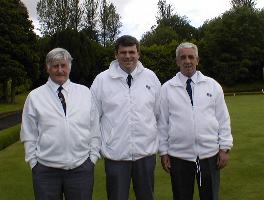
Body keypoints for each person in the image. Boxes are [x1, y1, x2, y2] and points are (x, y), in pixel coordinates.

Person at [20, 48, 100, 200]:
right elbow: (29, 134)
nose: (60, 70)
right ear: (48, 68)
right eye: (55, 66)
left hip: (81, 168)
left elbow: (95, 128)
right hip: (45, 171)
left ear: (69, 67)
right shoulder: (35, 97)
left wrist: (93, 158)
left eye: (63, 65)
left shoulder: (85, 93)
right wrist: (33, 163)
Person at [158, 42, 233, 200]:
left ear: (197, 60)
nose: (187, 61)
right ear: (177, 61)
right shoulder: (167, 88)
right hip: (179, 157)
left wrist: (224, 148)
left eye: (191, 57)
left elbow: (223, 118)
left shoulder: (212, 86)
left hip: (210, 155)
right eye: (183, 57)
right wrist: (163, 152)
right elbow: (162, 123)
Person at [91, 35, 161, 200]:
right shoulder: (101, 80)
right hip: (115, 155)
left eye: (132, 52)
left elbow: (158, 114)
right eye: (123, 52)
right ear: (116, 54)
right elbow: (93, 118)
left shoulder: (151, 77)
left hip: (145, 154)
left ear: (138, 54)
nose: (128, 56)